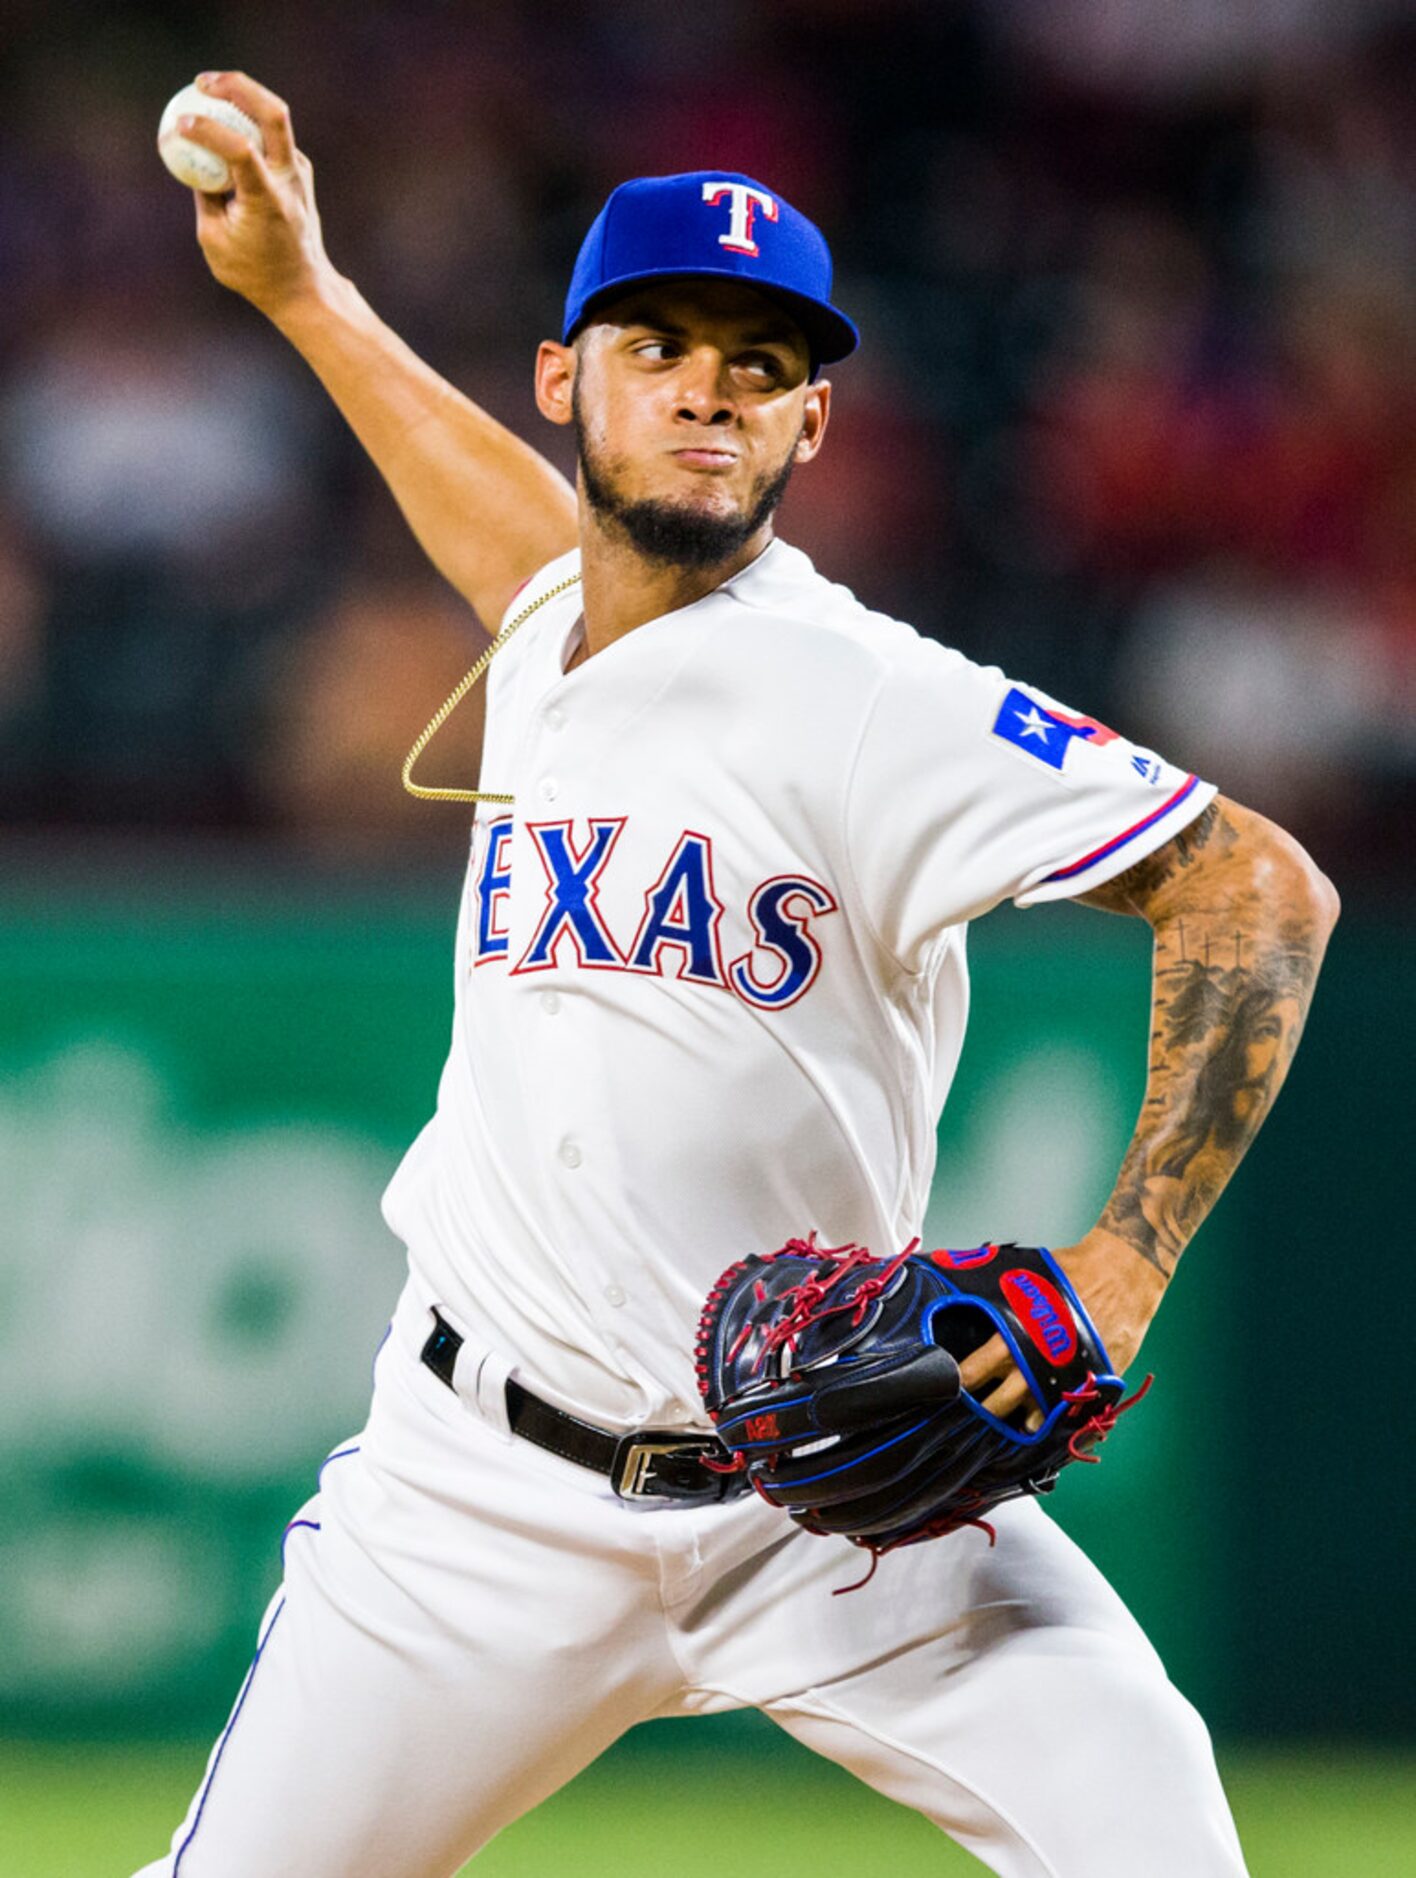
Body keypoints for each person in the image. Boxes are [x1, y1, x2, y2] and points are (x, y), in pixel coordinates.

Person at [137, 72, 1339, 1878]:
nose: (709, 384)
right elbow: (519, 547)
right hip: (471, 1498)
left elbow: (1261, 887)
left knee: (1158, 1837)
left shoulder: (866, 696)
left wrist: (1128, 1261)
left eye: (760, 361)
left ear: (811, 425)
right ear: (568, 382)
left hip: (831, 1507)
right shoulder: (564, 625)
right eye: (660, 342)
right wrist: (308, 294)